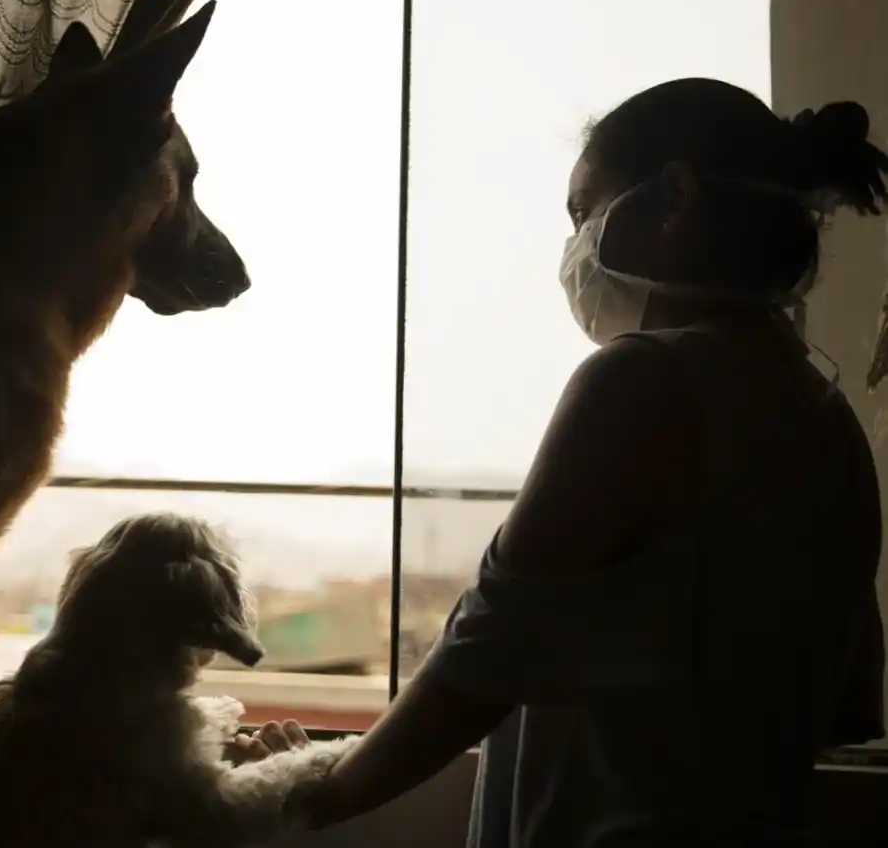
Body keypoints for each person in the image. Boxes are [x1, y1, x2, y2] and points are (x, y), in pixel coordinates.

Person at [239, 79, 887, 847]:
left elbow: (482, 660)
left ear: (673, 197)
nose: (573, 249)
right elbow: (845, 706)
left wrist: (313, 790)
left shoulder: (642, 380)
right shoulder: (826, 412)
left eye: (584, 213)